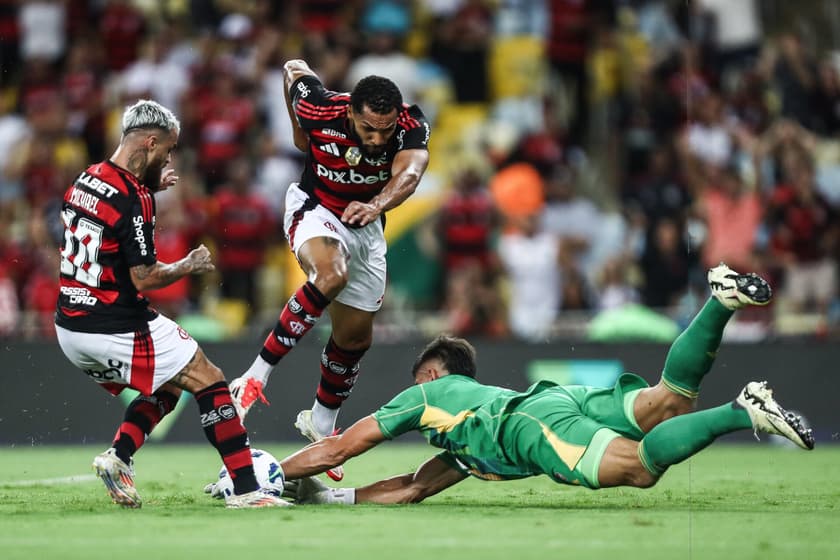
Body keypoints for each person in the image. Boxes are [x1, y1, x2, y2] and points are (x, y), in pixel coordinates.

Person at [209, 263, 814, 505]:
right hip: (556, 402)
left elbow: (342, 447)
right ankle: (720, 302)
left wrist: (265, 474)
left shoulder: (427, 396)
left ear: (432, 376)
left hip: (538, 424)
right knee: (668, 401)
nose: (411, 390)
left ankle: (745, 410)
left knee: (639, 467)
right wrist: (322, 499)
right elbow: (411, 489)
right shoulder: (462, 448)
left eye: (418, 378)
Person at [54, 99, 287, 509]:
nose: (168, 157)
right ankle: (249, 492)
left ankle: (118, 457)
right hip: (111, 320)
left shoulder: (84, 179)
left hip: (69, 325)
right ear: (149, 141)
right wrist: (188, 264)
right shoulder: (134, 197)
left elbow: (105, 225)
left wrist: (146, 188)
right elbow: (144, 277)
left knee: (170, 388)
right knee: (208, 378)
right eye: (167, 149)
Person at [229, 59, 431, 480]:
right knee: (330, 274)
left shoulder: (412, 123)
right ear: (351, 112)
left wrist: (375, 205)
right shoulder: (319, 105)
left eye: (385, 130)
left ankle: (321, 422)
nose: (378, 140)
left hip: (368, 223)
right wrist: (298, 129)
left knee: (354, 337)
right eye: (368, 129)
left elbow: (410, 174)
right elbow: (292, 68)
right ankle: (254, 376)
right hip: (315, 209)